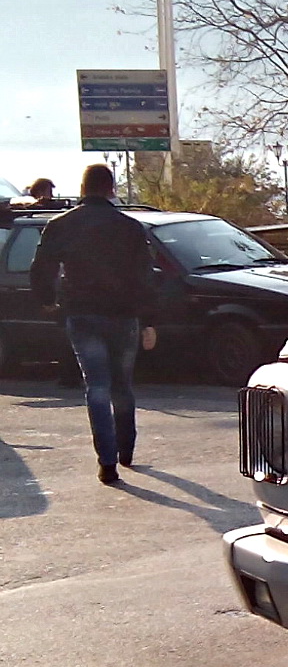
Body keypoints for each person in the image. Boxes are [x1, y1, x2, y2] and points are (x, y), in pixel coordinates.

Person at [29, 164, 158, 485]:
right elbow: (145, 276)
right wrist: (149, 320)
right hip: (124, 315)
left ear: (83, 189)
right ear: (111, 189)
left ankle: (107, 461)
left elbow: (41, 267)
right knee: (122, 385)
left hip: (82, 313)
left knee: (96, 386)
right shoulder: (130, 227)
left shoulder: (62, 224)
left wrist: (47, 300)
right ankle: (126, 449)